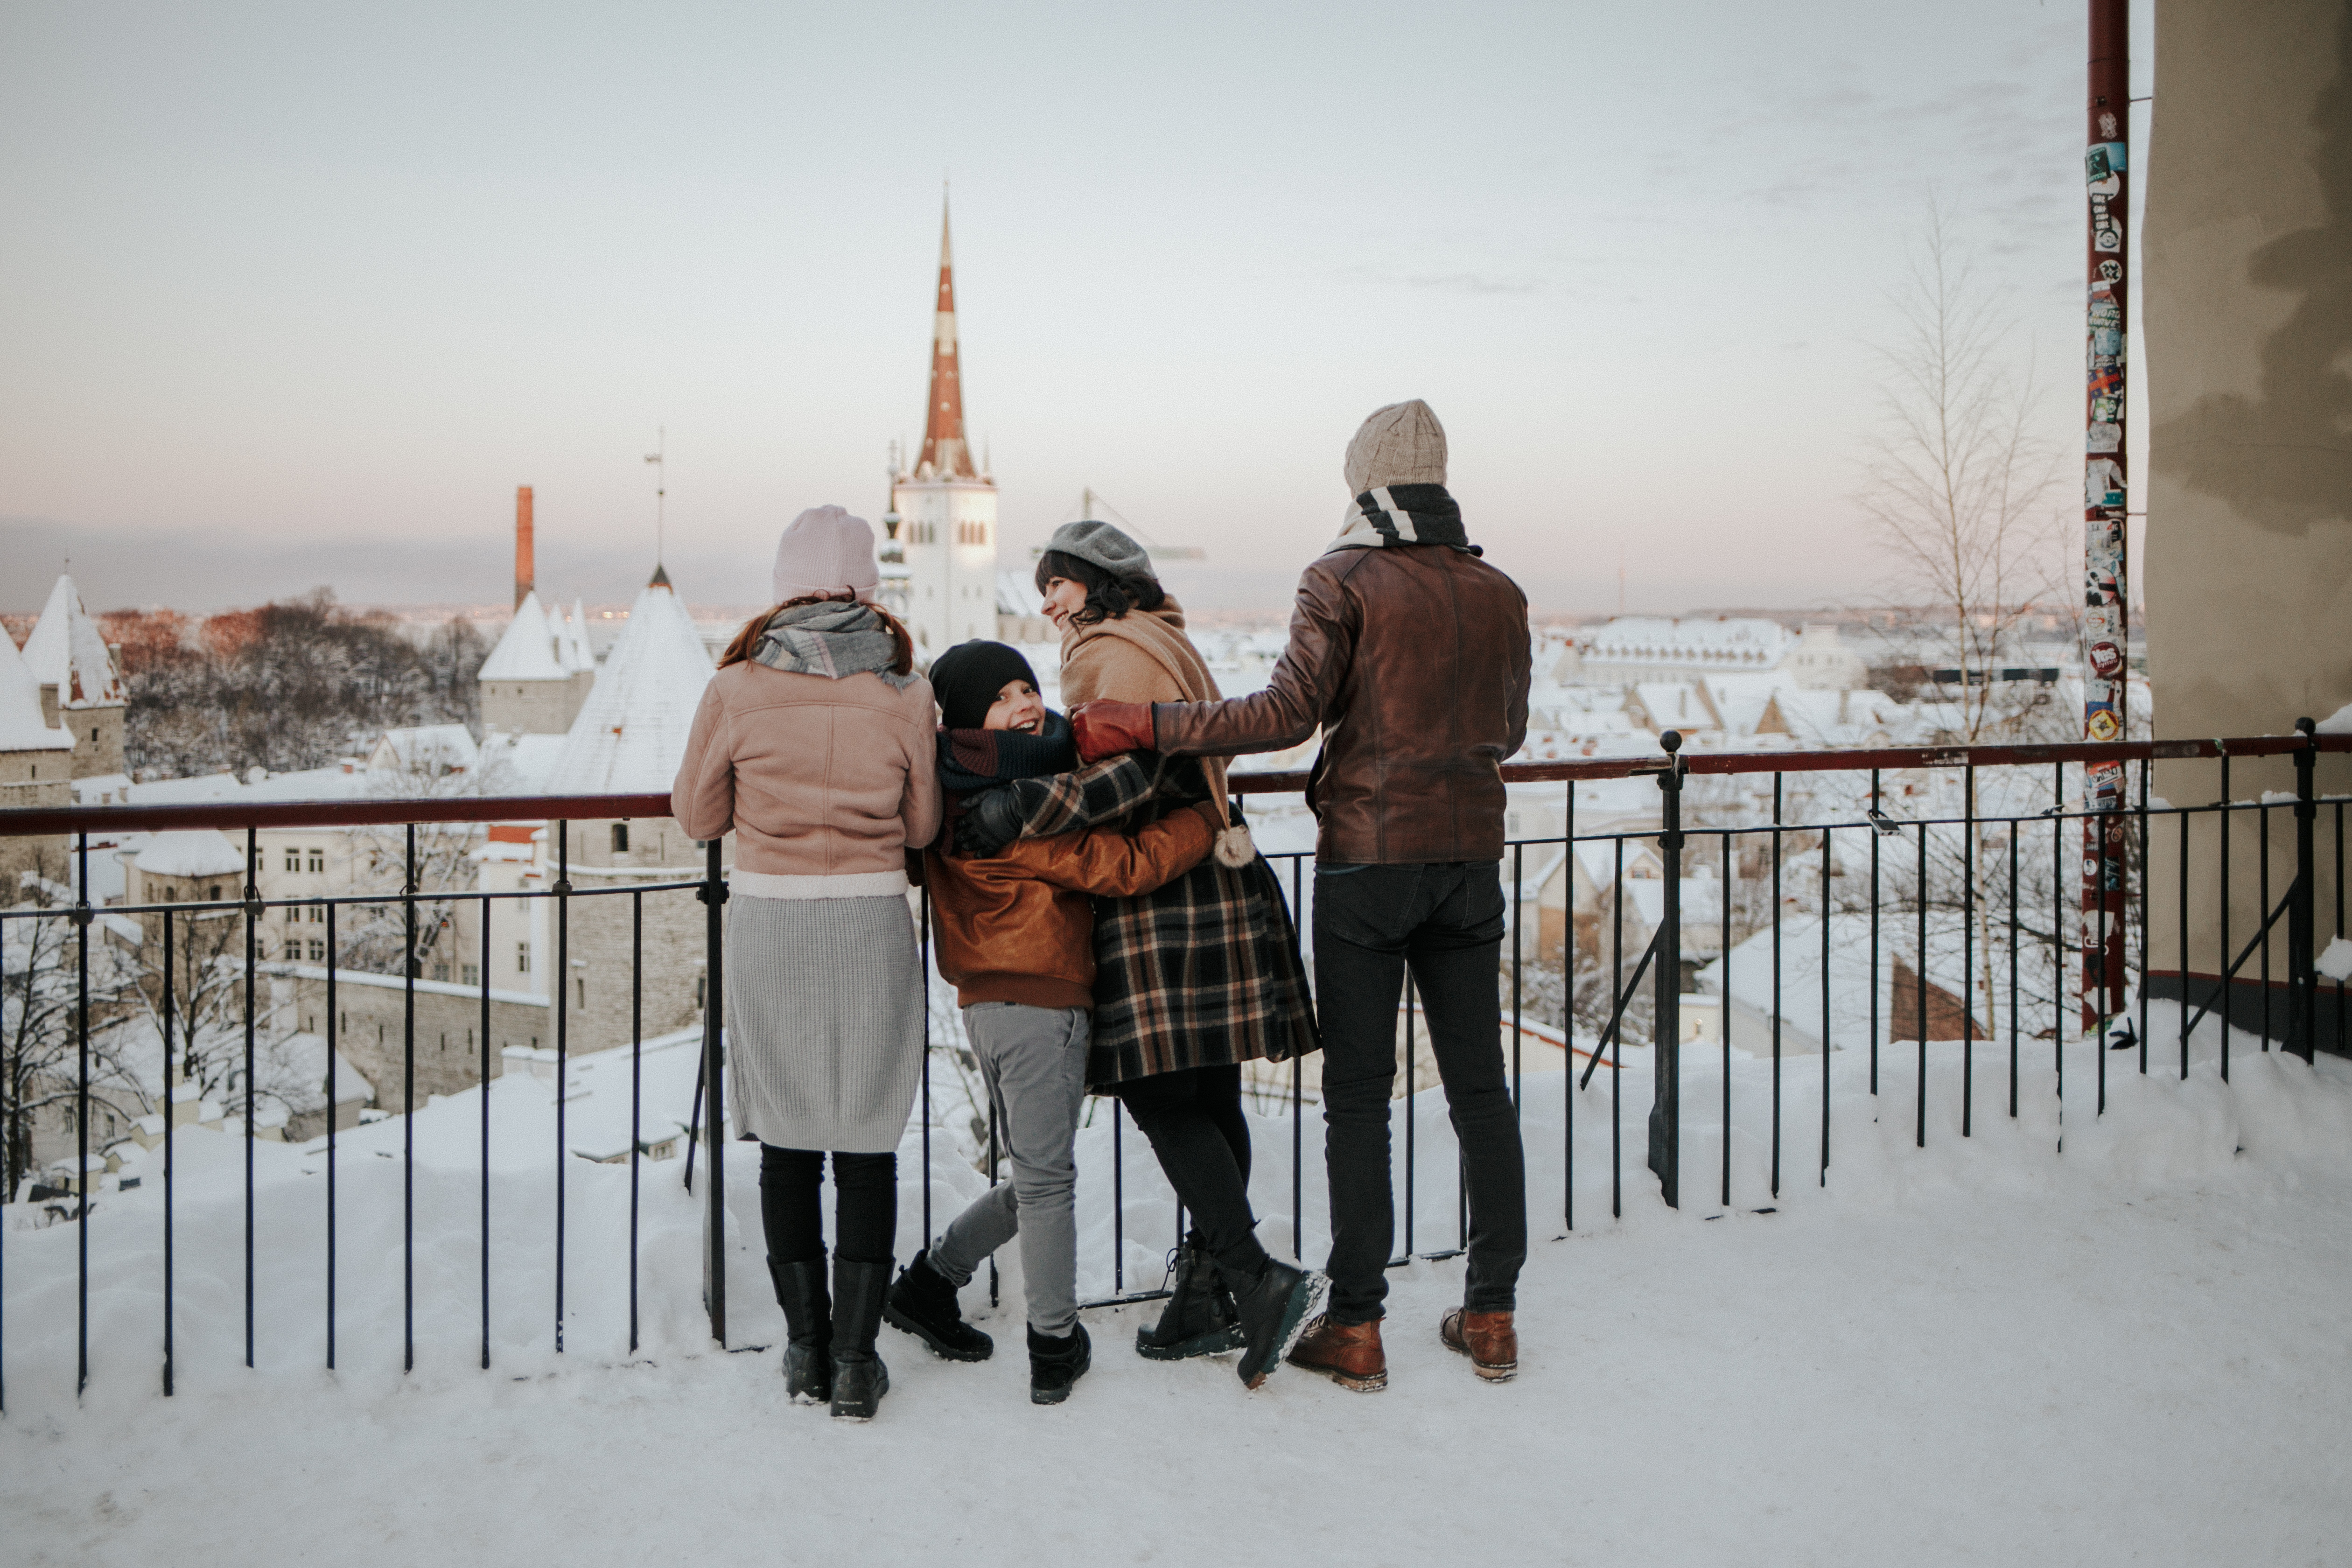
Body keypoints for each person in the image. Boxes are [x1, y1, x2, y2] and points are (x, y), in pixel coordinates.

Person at [1068, 401, 1532, 1392]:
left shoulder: (1344, 577)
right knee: (1481, 1091)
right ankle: (1492, 1312)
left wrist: (1143, 724)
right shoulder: (1498, 589)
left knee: (1359, 1100)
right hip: (1470, 858)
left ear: (1361, 483)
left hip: (1369, 860)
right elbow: (1514, 728)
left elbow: (1282, 716)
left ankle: (1358, 1327)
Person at [958, 520, 1322, 1390]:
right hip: (1216, 876)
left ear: (1096, 583)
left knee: (1161, 1091)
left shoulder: (1106, 652)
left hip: (1163, 891)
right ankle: (1209, 1294)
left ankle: (1252, 1278)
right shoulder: (1167, 637)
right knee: (1208, 1085)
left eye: (1058, 584)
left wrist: (1021, 811)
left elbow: (1128, 781)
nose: (1046, 602)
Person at [885, 640, 1226, 1405]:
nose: (1026, 704)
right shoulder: (1018, 810)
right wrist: (1206, 821)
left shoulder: (956, 794)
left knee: (1037, 1176)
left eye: (1027, 687)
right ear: (972, 718)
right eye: (1003, 698)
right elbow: (1127, 864)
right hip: (1040, 1003)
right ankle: (1053, 1343)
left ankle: (930, 1284)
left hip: (991, 1005)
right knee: (1046, 1185)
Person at [672, 506, 940, 1422]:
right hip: (869, 920)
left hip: (772, 926)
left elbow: (698, 815)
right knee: (867, 1146)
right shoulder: (907, 688)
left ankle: (805, 1348)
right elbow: (925, 829)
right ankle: (860, 1362)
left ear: (783, 586)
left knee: (787, 1146)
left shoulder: (737, 686)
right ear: (868, 586)